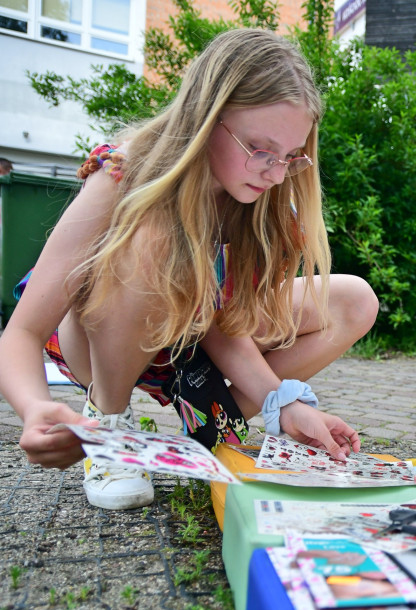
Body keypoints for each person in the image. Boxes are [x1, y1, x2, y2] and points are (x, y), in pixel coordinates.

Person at [0, 29, 378, 510]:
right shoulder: (125, 175)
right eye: (260, 149)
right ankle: (112, 428)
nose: (277, 173)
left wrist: (284, 405)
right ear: (207, 117)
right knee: (155, 235)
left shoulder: (260, 197)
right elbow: (22, 332)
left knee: (353, 301)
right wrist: (34, 410)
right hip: (100, 339)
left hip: (191, 346)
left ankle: (207, 419)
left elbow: (225, 323)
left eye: (290, 156)